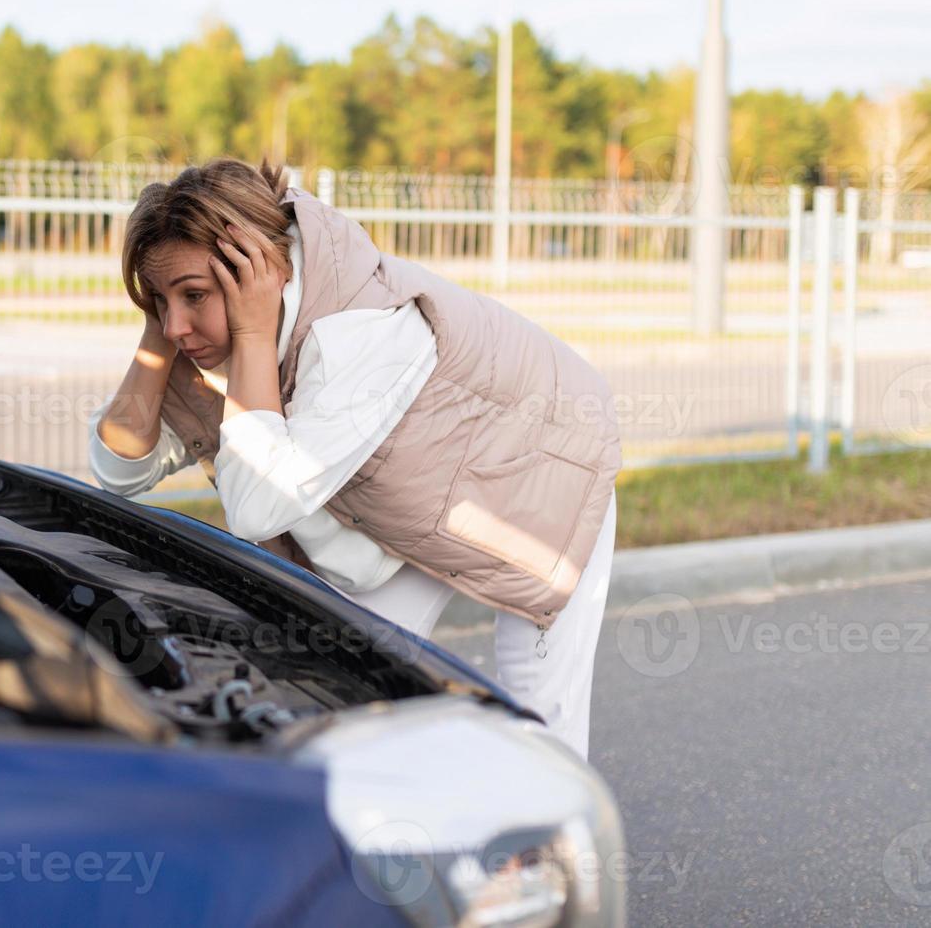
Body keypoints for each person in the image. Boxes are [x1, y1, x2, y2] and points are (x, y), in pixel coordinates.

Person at [87, 157, 620, 760]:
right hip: (407, 507)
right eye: (159, 299)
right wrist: (161, 328)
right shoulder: (204, 333)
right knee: (349, 704)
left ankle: (561, 849)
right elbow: (119, 472)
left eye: (194, 296)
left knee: (540, 727)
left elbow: (259, 506)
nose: (178, 324)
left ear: (262, 273)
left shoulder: (363, 334)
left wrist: (254, 336)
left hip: (543, 470)